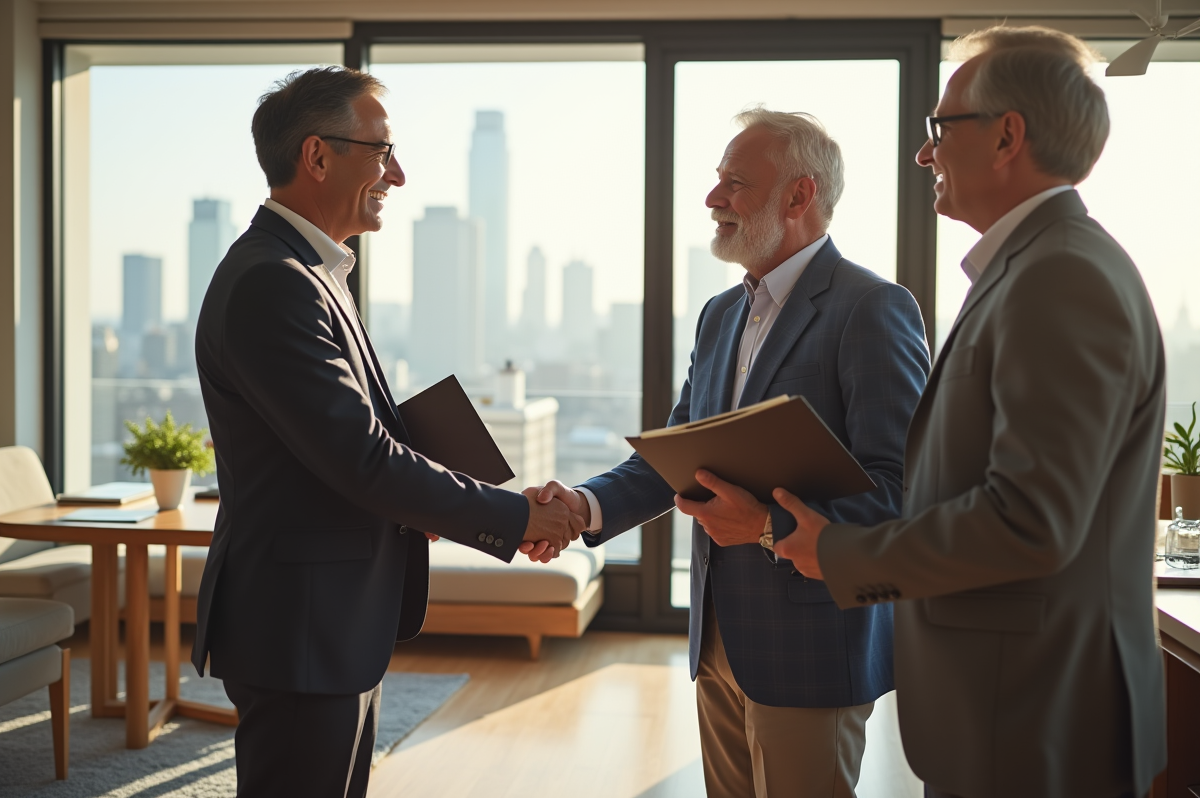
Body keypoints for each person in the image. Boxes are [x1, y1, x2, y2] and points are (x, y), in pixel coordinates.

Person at [773, 27, 1167, 798]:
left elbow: (1030, 520)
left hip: (1031, 719)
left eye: (939, 129)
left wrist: (843, 554)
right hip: (1012, 709)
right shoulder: (1035, 269)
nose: (925, 154)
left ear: (1006, 136)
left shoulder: (1060, 278)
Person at [190, 67, 582, 798]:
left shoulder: (313, 272)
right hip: (300, 627)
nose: (397, 174)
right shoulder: (274, 281)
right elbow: (362, 458)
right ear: (317, 157)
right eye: (382, 152)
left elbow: (352, 440)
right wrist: (517, 515)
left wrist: (430, 498)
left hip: (327, 620)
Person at [537, 108, 929, 797]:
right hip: (718, 639)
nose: (713, 198)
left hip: (813, 648)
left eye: (734, 183)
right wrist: (584, 505)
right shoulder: (721, 315)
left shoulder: (871, 308)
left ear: (799, 196)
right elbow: (677, 456)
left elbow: (900, 491)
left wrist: (767, 528)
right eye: (718, 180)